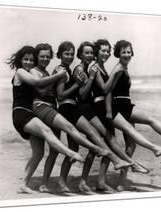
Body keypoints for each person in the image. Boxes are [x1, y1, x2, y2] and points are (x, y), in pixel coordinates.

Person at [102, 40, 161, 190]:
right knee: (150, 120)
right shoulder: (118, 69)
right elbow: (107, 91)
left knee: (131, 145)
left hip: (125, 105)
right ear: (118, 54)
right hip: (119, 107)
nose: (127, 55)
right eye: (123, 52)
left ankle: (121, 181)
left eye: (128, 52)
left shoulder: (123, 68)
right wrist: (108, 111)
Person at [54, 41, 141, 193]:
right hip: (82, 109)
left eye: (90, 53)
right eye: (85, 53)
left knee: (85, 146)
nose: (89, 55)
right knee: (97, 141)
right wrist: (92, 77)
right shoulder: (81, 69)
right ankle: (124, 163)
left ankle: (85, 181)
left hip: (87, 109)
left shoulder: (88, 68)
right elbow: (82, 94)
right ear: (80, 55)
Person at [71, 41, 154, 192]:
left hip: (103, 108)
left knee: (107, 143)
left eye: (108, 51)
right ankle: (84, 181)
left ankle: (101, 181)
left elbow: (107, 90)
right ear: (97, 52)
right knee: (102, 144)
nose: (106, 53)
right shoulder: (94, 68)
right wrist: (115, 73)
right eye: (103, 51)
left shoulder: (100, 68)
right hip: (96, 108)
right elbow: (103, 89)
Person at [29, 43, 110, 193]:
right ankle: (49, 182)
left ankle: (55, 182)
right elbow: (60, 95)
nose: (70, 57)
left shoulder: (66, 70)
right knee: (62, 148)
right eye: (66, 54)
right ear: (59, 55)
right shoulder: (61, 70)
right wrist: (77, 84)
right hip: (63, 109)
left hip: (56, 109)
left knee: (61, 149)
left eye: (71, 54)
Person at [7, 45, 85, 194]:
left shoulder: (34, 72)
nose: (29, 62)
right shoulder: (21, 71)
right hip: (21, 113)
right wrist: (57, 76)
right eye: (26, 59)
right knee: (47, 130)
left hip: (31, 114)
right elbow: (37, 83)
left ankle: (23, 184)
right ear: (20, 60)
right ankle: (70, 153)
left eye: (31, 60)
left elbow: (41, 89)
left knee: (38, 153)